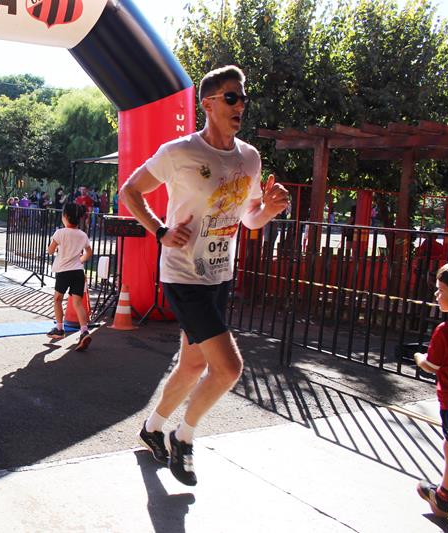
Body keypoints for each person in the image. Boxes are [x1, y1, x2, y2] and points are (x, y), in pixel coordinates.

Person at [120, 65, 290, 486]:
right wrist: (159, 230)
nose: (241, 106)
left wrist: (267, 209)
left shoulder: (250, 157)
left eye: (243, 98)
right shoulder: (179, 152)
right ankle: (185, 437)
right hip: (183, 276)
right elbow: (130, 191)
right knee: (229, 369)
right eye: (232, 98)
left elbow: (248, 219)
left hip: (219, 276)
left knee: (194, 364)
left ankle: (152, 428)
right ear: (208, 104)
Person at [414, 260, 448, 519]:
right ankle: (442, 497)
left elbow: (431, 365)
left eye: (441, 290)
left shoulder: (447, 330)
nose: (436, 294)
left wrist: (417, 357)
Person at [46, 203, 93, 351]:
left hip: (64, 272)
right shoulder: (82, 234)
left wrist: (54, 248)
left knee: (58, 299)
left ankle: (59, 329)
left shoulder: (60, 233)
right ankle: (84, 331)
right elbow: (89, 253)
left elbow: (50, 251)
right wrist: (80, 260)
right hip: (78, 272)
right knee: (78, 303)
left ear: (65, 216)